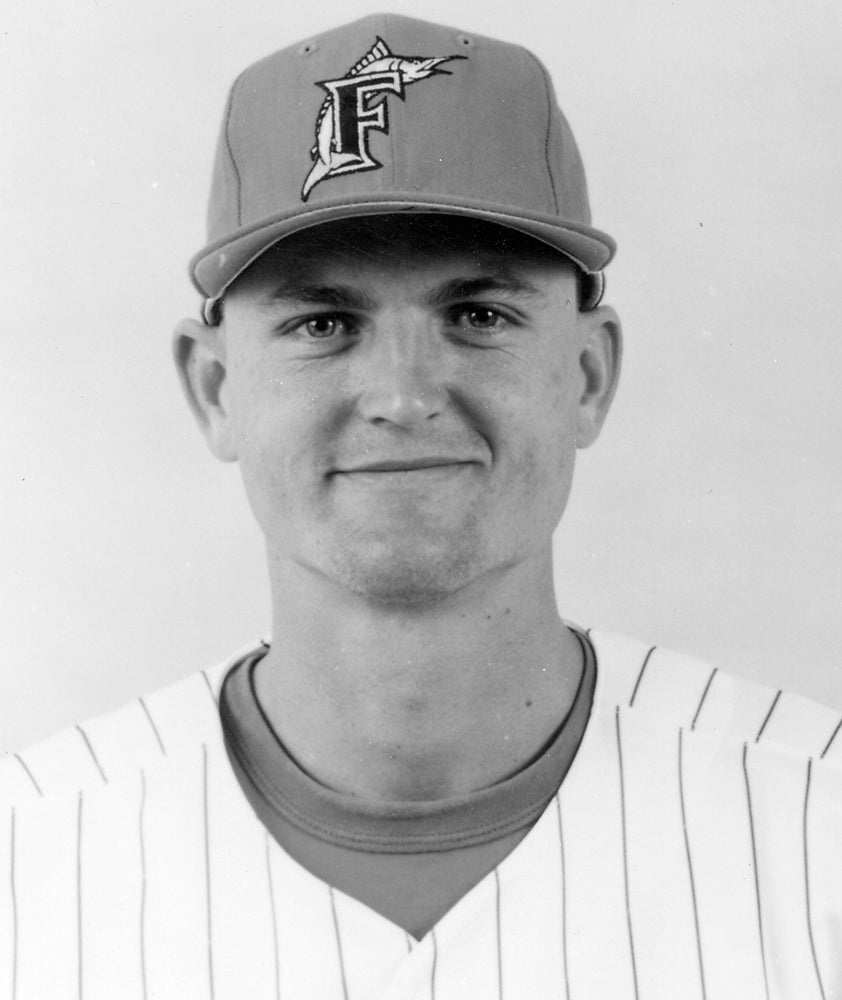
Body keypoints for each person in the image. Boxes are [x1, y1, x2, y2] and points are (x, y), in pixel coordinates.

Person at [1, 13, 839, 999]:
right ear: (214, 387)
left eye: (477, 314)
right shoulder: (27, 856)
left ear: (586, 372)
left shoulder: (814, 822)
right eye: (323, 320)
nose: (402, 394)